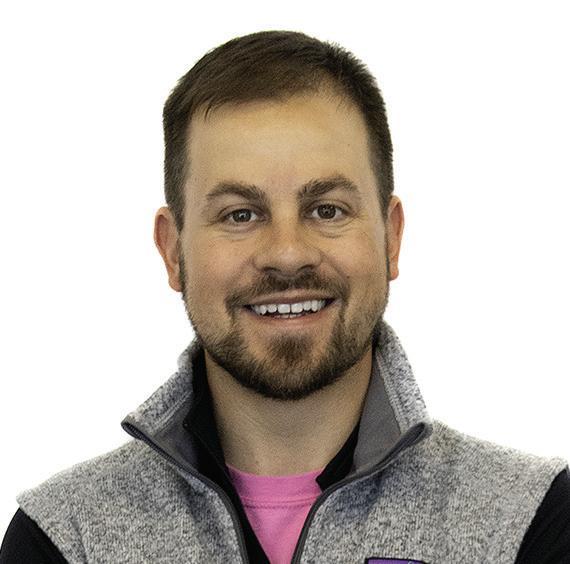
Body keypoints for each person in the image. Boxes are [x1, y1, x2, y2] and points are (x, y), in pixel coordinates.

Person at [1, 30, 569, 564]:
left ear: (391, 238)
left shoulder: (531, 522)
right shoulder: (62, 540)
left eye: (327, 210)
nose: (288, 253)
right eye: (240, 215)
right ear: (173, 251)